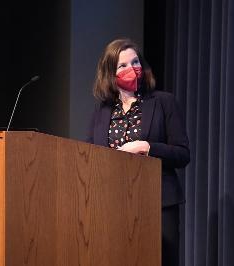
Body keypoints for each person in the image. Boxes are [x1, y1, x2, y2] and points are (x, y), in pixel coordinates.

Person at [86, 38, 190, 266]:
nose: (131, 69)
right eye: (122, 66)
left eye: (135, 62)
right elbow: (89, 156)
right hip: (114, 203)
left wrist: (147, 147)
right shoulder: (102, 111)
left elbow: (183, 154)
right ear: (110, 74)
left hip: (158, 202)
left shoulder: (164, 102)